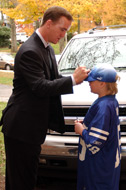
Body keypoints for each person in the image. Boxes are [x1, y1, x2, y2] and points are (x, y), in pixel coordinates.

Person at [0, 6, 89, 190]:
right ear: (49, 23)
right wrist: (72, 80)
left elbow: (53, 80)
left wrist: (78, 79)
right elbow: (40, 87)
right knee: (20, 181)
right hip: (21, 128)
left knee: (29, 177)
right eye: (62, 29)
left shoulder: (46, 48)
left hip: (32, 129)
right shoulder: (30, 50)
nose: (64, 35)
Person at [74, 64, 121, 190]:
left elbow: (95, 143)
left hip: (99, 168)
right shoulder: (110, 101)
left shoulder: (104, 107)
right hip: (107, 164)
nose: (89, 83)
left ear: (102, 83)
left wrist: (82, 131)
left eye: (92, 81)